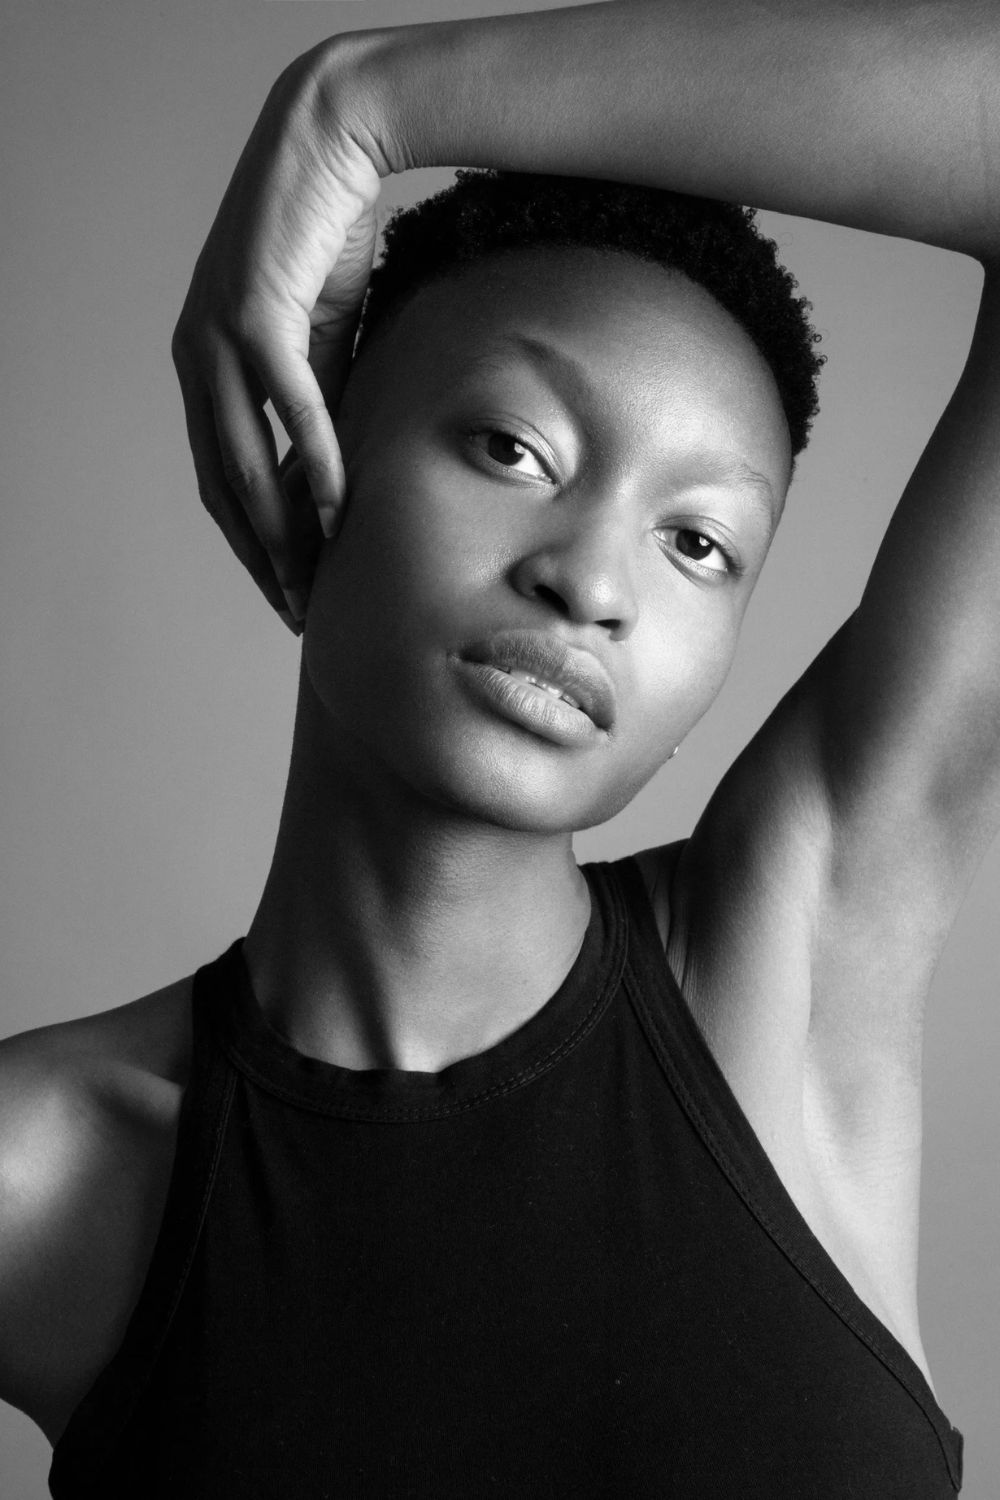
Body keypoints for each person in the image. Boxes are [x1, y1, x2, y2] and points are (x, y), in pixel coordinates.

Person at [1, 0, 996, 1493]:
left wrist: (361, 103)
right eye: (514, 449)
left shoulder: (797, 962)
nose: (591, 582)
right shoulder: (47, 1173)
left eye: (697, 542)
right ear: (314, 452)